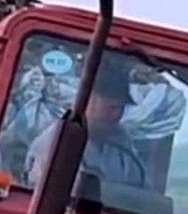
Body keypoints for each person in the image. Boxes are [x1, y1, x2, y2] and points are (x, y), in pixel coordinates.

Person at [23, 58, 149, 192]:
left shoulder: (122, 142)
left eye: (121, 109)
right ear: (88, 99)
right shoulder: (56, 142)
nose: (117, 115)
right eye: (111, 108)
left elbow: (138, 188)